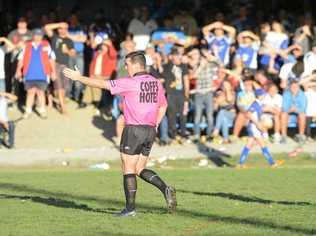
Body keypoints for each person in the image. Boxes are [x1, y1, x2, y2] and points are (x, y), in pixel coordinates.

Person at [63, 50, 176, 217]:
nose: (125, 66)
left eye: (127, 64)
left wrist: (79, 78)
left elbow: (103, 85)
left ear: (137, 65)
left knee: (128, 169)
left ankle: (130, 209)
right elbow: (163, 106)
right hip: (150, 130)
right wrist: (156, 124)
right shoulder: (155, 82)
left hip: (134, 130)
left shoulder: (130, 82)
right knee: (139, 168)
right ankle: (165, 188)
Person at [238, 89, 284, 168]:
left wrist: (273, 109)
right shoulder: (255, 104)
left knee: (249, 144)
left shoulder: (258, 104)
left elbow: (264, 108)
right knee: (262, 144)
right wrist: (257, 123)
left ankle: (240, 163)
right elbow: (248, 114)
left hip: (254, 126)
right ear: (259, 96)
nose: (265, 96)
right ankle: (272, 163)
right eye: (263, 95)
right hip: (253, 126)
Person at [15, 29, 56, 119]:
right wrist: (18, 70)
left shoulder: (46, 45)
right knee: (30, 92)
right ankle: (28, 111)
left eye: (39, 35)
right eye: (36, 35)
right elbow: (21, 59)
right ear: (33, 36)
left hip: (43, 74)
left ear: (42, 36)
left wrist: (53, 71)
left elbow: (51, 59)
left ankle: (42, 111)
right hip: (29, 73)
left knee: (41, 93)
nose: (37, 37)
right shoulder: (27, 45)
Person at [44, 22, 76, 114]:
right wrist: (59, 24)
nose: (63, 30)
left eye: (65, 28)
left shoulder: (69, 40)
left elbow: (73, 53)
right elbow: (46, 27)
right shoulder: (54, 37)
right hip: (55, 65)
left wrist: (68, 51)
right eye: (61, 28)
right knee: (58, 87)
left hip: (65, 65)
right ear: (58, 29)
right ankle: (63, 107)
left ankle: (59, 102)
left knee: (64, 88)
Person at [187, 46, 217, 142]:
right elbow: (193, 76)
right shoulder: (194, 65)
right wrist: (201, 66)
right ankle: (196, 135)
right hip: (198, 93)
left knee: (209, 116)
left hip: (208, 92)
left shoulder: (210, 64)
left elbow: (220, 64)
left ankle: (209, 135)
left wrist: (212, 55)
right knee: (197, 115)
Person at [162, 47, 189, 141]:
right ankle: (172, 135)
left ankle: (183, 133)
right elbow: (163, 76)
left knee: (183, 115)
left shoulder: (184, 66)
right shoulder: (167, 66)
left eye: (178, 55)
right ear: (172, 56)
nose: (178, 57)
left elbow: (186, 81)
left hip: (181, 94)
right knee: (171, 115)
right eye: (176, 55)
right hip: (170, 94)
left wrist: (186, 97)